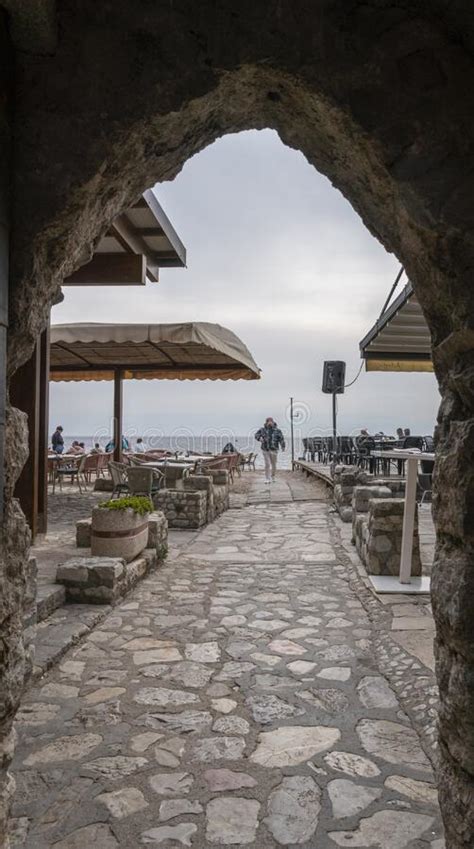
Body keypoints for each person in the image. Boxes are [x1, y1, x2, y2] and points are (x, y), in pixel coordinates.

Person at [255, 417, 285, 483]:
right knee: (267, 464)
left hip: (274, 449)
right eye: (268, 421)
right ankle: (267, 478)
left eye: (271, 421)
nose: (270, 422)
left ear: (273, 422)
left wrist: (283, 446)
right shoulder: (262, 430)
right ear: (266, 422)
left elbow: (281, 439)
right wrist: (260, 438)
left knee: (273, 464)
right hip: (265, 449)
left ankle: (273, 476)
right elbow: (256, 435)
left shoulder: (277, 430)